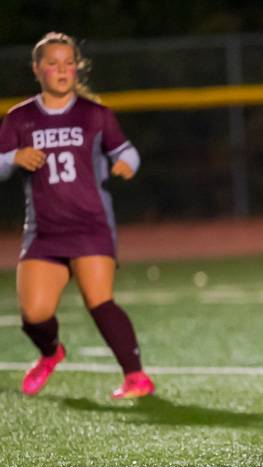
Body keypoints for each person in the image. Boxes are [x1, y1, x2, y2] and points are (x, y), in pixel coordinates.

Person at [0, 32, 155, 400]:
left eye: (68, 62)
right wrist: (12, 158)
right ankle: (51, 353)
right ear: (37, 69)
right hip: (44, 231)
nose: (62, 69)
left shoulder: (94, 114)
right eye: (52, 63)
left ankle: (136, 377)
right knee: (34, 315)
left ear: (77, 67)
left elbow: (128, 152)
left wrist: (125, 164)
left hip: (91, 226)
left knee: (100, 300)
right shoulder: (20, 117)